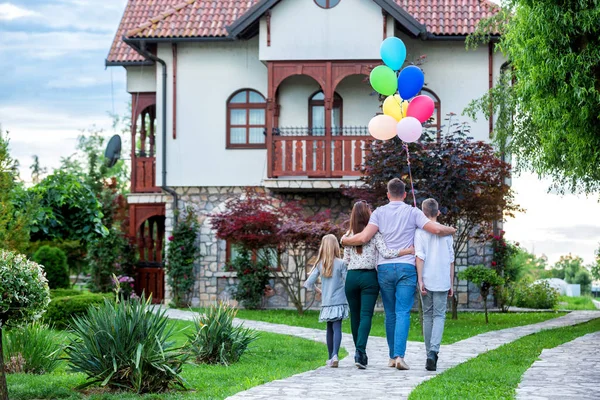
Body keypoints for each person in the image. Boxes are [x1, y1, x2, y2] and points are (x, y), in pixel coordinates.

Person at [341, 178, 455, 370]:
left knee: (390, 313)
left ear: (387, 194)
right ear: (404, 194)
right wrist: (452, 229)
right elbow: (435, 229)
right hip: (406, 268)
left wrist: (345, 240)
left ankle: (392, 357)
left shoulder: (378, 213)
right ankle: (400, 357)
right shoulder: (413, 212)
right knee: (402, 312)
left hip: (384, 270)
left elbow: (364, 237)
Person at [342, 200, 415, 369]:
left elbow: (346, 260)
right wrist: (407, 251)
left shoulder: (347, 236)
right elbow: (387, 253)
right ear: (368, 215)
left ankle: (359, 353)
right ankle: (360, 351)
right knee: (366, 315)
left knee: (355, 316)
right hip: (369, 278)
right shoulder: (375, 234)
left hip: (352, 277)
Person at [415, 198, 454, 371]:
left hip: (428, 279)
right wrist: (451, 283)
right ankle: (434, 352)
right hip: (443, 279)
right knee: (439, 316)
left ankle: (428, 354)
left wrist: (420, 279)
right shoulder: (447, 233)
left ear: (423, 213)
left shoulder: (420, 232)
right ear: (438, 212)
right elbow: (451, 260)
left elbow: (419, 257)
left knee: (428, 316)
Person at [304, 234, 348, 368]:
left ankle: (330, 357)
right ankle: (335, 354)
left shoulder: (319, 265)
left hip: (327, 302)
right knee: (337, 328)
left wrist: (320, 291)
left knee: (329, 329)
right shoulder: (341, 263)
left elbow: (308, 284)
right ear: (336, 246)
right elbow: (348, 282)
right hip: (339, 301)